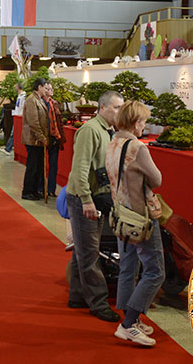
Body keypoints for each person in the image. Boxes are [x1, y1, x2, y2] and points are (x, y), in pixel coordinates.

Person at [107, 100, 165, 347]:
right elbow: (157, 179)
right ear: (134, 122)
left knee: (128, 268)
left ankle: (129, 317)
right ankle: (128, 323)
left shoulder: (113, 142)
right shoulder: (138, 148)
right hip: (140, 218)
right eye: (142, 121)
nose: (145, 125)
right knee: (155, 270)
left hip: (120, 214)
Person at [66, 89, 124, 322]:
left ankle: (77, 295)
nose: (120, 112)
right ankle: (98, 303)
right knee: (90, 252)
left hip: (98, 198)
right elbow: (79, 169)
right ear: (102, 107)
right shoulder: (90, 131)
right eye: (116, 107)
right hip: (84, 199)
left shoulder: (110, 132)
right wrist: (86, 200)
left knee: (83, 250)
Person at [20, 79, 49, 200]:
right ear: (39, 87)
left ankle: (35, 190)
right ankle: (27, 191)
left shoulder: (39, 100)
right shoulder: (31, 100)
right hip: (33, 139)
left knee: (38, 167)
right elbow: (33, 122)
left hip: (38, 140)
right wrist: (42, 137)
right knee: (32, 167)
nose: (46, 90)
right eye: (45, 88)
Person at [43, 82, 66, 199]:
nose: (50, 90)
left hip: (55, 137)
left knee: (53, 165)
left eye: (51, 88)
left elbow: (59, 122)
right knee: (41, 164)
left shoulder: (54, 104)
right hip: (44, 137)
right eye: (47, 88)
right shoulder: (41, 103)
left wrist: (61, 137)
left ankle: (51, 189)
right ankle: (42, 188)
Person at [2, 82, 25, 154]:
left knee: (14, 133)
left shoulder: (23, 96)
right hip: (17, 116)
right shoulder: (19, 96)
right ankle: (9, 148)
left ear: (18, 87)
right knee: (14, 133)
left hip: (20, 117)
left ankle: (8, 148)